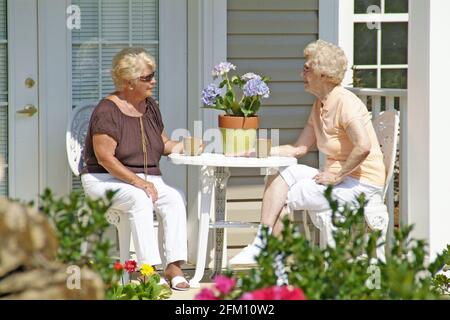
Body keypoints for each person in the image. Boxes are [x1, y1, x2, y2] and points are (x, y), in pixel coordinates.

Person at [230, 39, 386, 265]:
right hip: (338, 179)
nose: (301, 73)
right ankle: (262, 246)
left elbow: (363, 146)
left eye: (307, 68)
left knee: (283, 199)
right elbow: (298, 148)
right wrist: (256, 152)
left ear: (323, 74)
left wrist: (337, 175)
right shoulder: (320, 104)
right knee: (280, 173)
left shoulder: (345, 103)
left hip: (359, 184)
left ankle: (272, 265)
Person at [80, 47, 189, 290]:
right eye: (147, 77)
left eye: (153, 75)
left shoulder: (150, 106)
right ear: (128, 82)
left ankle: (174, 265)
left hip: (145, 178)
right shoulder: (107, 110)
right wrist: (140, 182)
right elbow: (105, 158)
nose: (153, 81)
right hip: (104, 179)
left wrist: (185, 146)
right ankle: (147, 270)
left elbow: (163, 143)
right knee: (140, 199)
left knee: (174, 198)